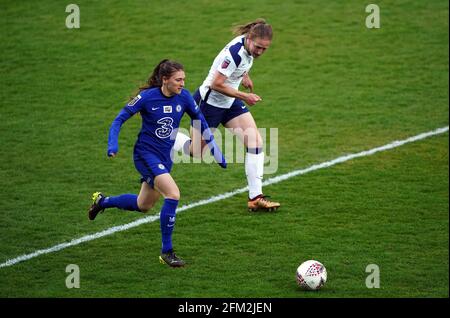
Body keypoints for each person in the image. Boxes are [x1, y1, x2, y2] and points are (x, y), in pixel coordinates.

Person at [88, 59, 226, 267]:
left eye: (184, 79)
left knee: (143, 205)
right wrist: (112, 145)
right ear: (165, 80)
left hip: (165, 156)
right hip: (145, 154)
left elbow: (201, 122)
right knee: (173, 194)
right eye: (178, 80)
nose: (182, 83)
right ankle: (167, 252)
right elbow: (118, 120)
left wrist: (215, 150)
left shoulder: (185, 97)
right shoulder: (146, 98)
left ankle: (103, 202)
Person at [174, 18, 280, 212]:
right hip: (209, 103)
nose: (260, 52)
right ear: (249, 38)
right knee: (196, 151)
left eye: (265, 49)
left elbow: (240, 66)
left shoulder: (247, 49)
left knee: (255, 143)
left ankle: (255, 197)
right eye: (258, 47)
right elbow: (216, 83)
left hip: (229, 102)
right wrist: (244, 95)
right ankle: (167, 135)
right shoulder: (235, 54)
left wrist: (244, 76)